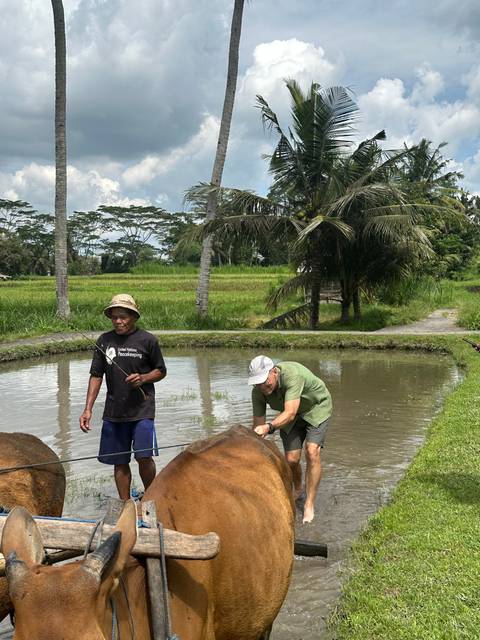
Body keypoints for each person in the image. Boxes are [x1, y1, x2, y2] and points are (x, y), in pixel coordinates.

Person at [79, 294, 167, 500]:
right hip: (114, 411)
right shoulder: (104, 340)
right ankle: (125, 503)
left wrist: (144, 378)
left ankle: (150, 499)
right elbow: (96, 376)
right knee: (120, 461)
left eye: (123, 317)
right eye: (114, 317)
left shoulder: (148, 340)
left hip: (142, 410)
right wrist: (88, 409)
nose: (118, 321)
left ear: (133, 317)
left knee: (144, 457)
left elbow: (161, 371)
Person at [249, 355, 332, 524]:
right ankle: (299, 488)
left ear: (274, 372)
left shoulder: (292, 375)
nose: (262, 387)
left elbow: (290, 413)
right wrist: (253, 439)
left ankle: (309, 504)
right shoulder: (258, 392)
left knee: (312, 451)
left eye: (265, 381)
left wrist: (269, 427)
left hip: (315, 407)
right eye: (257, 383)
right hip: (291, 415)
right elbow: (258, 424)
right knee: (291, 460)